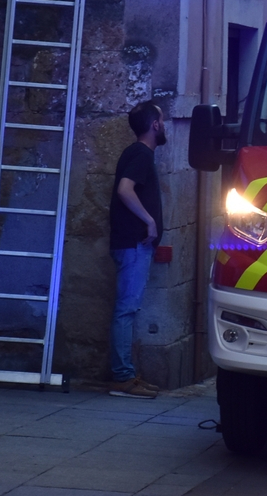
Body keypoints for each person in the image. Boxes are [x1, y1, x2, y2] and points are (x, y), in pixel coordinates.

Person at [107, 100, 167, 399]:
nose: (164, 124)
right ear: (155, 125)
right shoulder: (141, 154)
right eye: (162, 120)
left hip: (131, 244)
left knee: (127, 309)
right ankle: (122, 378)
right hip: (133, 244)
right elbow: (124, 190)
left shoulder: (138, 154)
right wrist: (150, 222)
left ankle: (126, 375)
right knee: (126, 310)